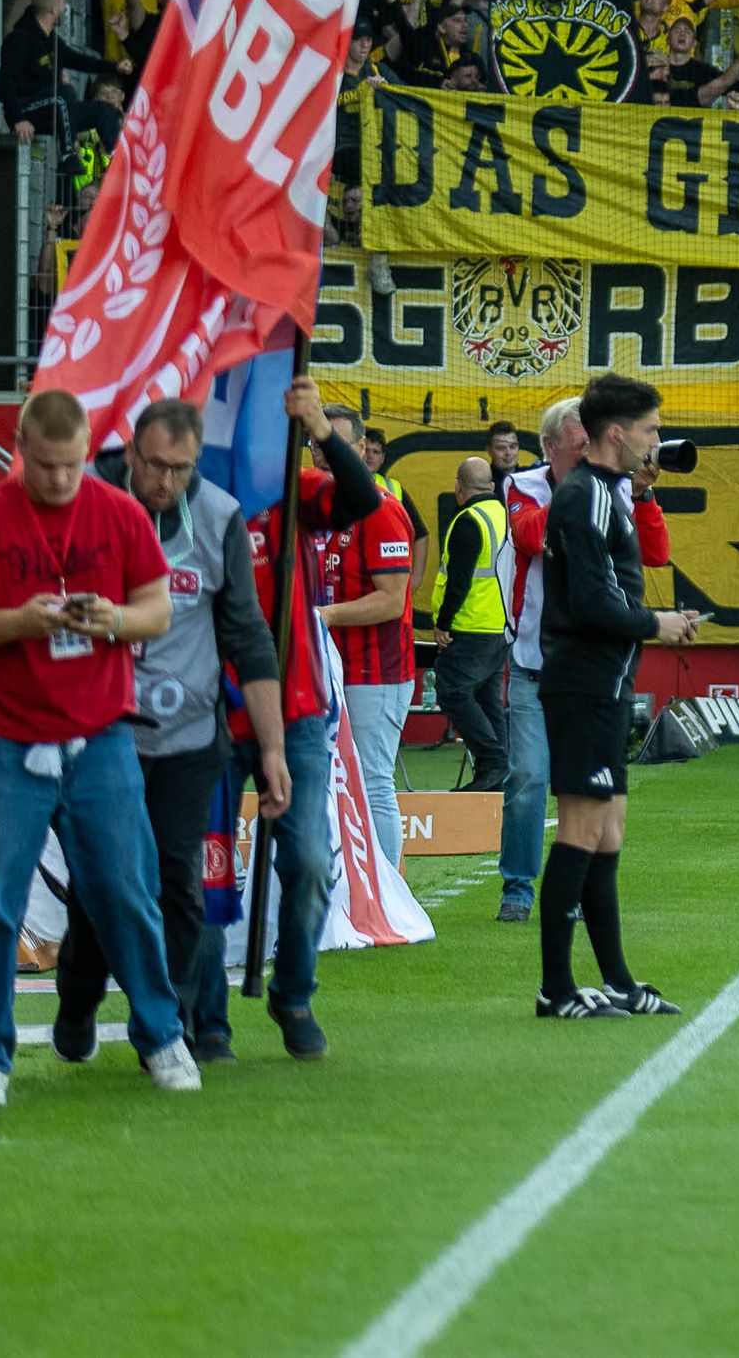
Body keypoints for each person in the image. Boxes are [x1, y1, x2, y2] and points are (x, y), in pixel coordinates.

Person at [0, 388, 199, 1105]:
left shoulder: (118, 513)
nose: (58, 478)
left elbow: (157, 607)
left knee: (128, 893)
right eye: (46, 464)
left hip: (100, 735)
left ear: (90, 450)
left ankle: (161, 1034)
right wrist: (20, 622)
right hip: (3, 737)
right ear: (20, 445)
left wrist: (111, 617)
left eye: (71, 464)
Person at [49, 399, 282, 1073]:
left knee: (176, 877)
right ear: (132, 450)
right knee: (104, 879)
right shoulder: (85, 501)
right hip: (97, 728)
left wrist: (269, 747)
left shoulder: (219, 516)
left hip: (186, 736)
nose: (165, 480)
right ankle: (78, 994)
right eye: (154, 464)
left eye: (181, 469)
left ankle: (169, 1025)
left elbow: (246, 633)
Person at [229, 379, 387, 1062]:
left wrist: (322, 428)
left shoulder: (293, 492)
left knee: (310, 861)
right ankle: (200, 1010)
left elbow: (361, 499)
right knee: (198, 868)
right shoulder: (190, 496)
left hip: (293, 708)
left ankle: (292, 992)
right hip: (206, 709)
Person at [537, 372, 701, 1020]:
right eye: (651, 430)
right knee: (580, 828)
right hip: (583, 684)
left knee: (607, 831)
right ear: (616, 434)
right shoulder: (586, 496)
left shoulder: (611, 492)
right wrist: (655, 622)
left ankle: (619, 981)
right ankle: (556, 988)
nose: (657, 441)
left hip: (606, 682)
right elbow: (593, 601)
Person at [320, 406, 419, 884]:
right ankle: (350, 889)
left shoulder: (379, 507)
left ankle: (387, 893)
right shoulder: (318, 504)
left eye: (336, 443)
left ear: (361, 449)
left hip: (374, 671)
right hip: (327, 666)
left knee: (373, 782)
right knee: (331, 783)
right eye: (319, 443)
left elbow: (391, 601)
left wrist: (323, 617)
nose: (325, 453)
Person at [492, 396, 575, 922]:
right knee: (528, 776)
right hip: (530, 661)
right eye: (580, 443)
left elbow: (650, 552)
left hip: (586, 663)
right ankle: (518, 888)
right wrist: (576, 488)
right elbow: (533, 537)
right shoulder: (521, 485)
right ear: (551, 446)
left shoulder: (611, 488)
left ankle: (574, 889)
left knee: (583, 784)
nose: (591, 451)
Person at [427, 452, 511, 791]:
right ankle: (499, 773)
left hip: (472, 623)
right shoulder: (504, 515)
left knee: (452, 690)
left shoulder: (468, 520)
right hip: (500, 625)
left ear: (459, 488)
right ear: (491, 486)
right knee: (489, 700)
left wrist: (443, 623)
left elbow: (459, 580)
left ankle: (493, 763)